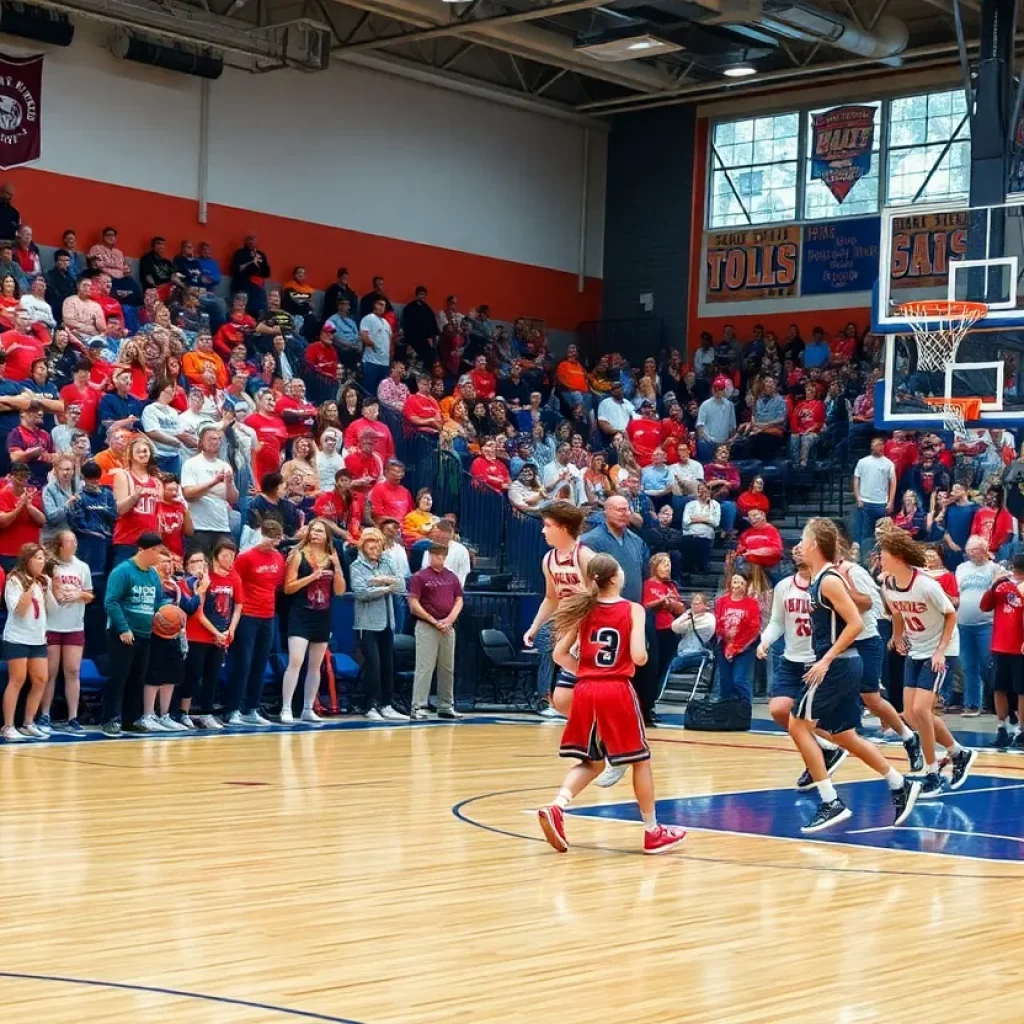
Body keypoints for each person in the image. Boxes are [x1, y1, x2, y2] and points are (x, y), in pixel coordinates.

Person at [537, 553, 687, 855]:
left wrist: (588, 672)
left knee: (591, 761)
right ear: (616, 578)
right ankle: (652, 831)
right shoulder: (633, 609)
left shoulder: (584, 609)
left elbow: (559, 655)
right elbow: (639, 657)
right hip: (616, 689)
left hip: (587, 689)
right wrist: (636, 654)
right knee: (641, 761)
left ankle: (557, 806)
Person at [787, 519, 922, 833]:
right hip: (843, 664)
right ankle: (899, 783)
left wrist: (826, 660)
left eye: (804, 540)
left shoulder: (830, 581)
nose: (799, 546)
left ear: (815, 546)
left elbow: (856, 624)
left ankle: (829, 800)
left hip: (837, 665)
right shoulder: (819, 579)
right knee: (845, 735)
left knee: (797, 725)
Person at [880, 527, 977, 798]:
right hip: (917, 649)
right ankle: (959, 753)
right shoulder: (887, 582)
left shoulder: (925, 584)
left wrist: (940, 651)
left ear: (898, 556)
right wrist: (898, 637)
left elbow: (950, 615)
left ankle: (932, 772)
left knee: (921, 711)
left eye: (884, 554)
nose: (880, 558)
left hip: (941, 649)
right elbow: (898, 613)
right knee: (911, 714)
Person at [831, 522, 923, 768]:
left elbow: (869, 604)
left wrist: (842, 591)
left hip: (865, 640)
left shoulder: (853, 571)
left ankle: (908, 737)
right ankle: (826, 753)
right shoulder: (821, 574)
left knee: (871, 698)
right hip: (840, 642)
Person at [102, 532, 169, 736]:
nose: (159, 556)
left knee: (137, 679)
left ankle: (130, 719)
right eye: (157, 552)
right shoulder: (122, 571)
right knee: (119, 677)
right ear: (145, 550)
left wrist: (167, 612)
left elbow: (159, 601)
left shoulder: (152, 575)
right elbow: (111, 601)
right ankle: (110, 719)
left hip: (144, 633)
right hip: (122, 633)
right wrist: (123, 629)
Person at [278, 519, 345, 724]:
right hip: (301, 614)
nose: (315, 533)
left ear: (326, 536)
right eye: (313, 530)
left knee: (316, 666)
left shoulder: (332, 557)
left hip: (323, 615)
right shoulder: (298, 555)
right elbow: (288, 587)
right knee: (296, 661)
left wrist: (337, 566)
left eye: (319, 531)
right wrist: (312, 577)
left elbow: (340, 591)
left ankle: (308, 707)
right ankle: (286, 708)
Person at [180, 538, 244, 731]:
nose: (230, 559)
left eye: (233, 556)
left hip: (222, 636)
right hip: (198, 635)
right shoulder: (203, 579)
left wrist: (231, 630)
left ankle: (207, 712)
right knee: (193, 675)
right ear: (215, 558)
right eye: (225, 555)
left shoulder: (234, 577)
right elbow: (197, 611)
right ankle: (183, 713)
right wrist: (216, 632)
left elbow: (238, 604)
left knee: (212, 676)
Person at [228, 519, 286, 727]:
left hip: (268, 616)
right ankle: (233, 709)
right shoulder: (245, 557)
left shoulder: (279, 557)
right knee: (243, 663)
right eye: (270, 538)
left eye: (277, 539)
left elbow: (277, 583)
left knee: (260, 664)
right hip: (247, 616)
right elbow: (235, 583)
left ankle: (251, 708)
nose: (273, 543)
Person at [141, 548, 200, 732]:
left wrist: (198, 593)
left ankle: (164, 715)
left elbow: (187, 608)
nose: (166, 565)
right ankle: (148, 715)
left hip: (175, 635)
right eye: (162, 561)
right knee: (154, 676)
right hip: (154, 634)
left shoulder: (175, 586)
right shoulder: (149, 582)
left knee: (171, 676)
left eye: (169, 562)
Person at [350, 528, 405, 721]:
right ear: (363, 545)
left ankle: (386, 704)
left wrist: (378, 581)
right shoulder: (357, 566)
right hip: (366, 624)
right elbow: (361, 592)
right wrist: (386, 585)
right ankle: (370, 705)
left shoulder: (388, 561)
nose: (374, 546)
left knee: (388, 664)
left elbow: (401, 586)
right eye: (369, 542)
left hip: (387, 622)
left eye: (377, 541)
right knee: (373, 664)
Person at [40, 530, 93, 734]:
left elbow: (90, 595)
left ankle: (73, 717)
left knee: (72, 671)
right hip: (52, 624)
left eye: (75, 540)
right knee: (50, 672)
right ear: (60, 545)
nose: (74, 544)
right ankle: (45, 714)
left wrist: (79, 594)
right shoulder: (50, 566)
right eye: (70, 541)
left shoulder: (82, 567)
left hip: (74, 625)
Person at [407, 543, 465, 720]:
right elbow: (414, 604)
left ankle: (446, 705)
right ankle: (418, 706)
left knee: (447, 667)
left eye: (442, 555)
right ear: (430, 555)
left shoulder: (452, 577)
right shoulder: (420, 576)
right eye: (436, 555)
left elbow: (459, 600)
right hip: (426, 626)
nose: (440, 558)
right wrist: (432, 620)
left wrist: (449, 620)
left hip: (447, 627)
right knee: (425, 667)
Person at [2, 542, 51, 740]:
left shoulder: (43, 581)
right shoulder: (14, 580)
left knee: (41, 680)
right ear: (27, 560)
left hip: (37, 638)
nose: (42, 562)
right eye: (38, 558)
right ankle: (8, 726)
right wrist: (31, 586)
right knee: (17, 680)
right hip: (17, 637)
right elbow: (19, 611)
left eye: (43, 558)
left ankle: (28, 723)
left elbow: (51, 609)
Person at [978, 554, 1024, 749]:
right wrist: (994, 584)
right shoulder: (1002, 585)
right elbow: (985, 606)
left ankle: (1021, 730)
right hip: (1000, 645)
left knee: (1022, 690)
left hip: (1019, 647)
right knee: (999, 688)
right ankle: (1002, 727)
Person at [954, 535, 999, 718]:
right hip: (963, 624)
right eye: (970, 550)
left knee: (987, 664)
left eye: (976, 549)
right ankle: (972, 704)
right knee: (968, 666)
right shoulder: (961, 568)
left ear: (984, 550)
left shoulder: (994, 568)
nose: (972, 553)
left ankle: (992, 702)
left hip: (986, 624)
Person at [181, 426, 238, 553]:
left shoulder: (224, 465)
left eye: (218, 439)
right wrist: (213, 482)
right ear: (200, 442)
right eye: (211, 439)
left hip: (222, 526)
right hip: (199, 527)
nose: (215, 442)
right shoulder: (191, 464)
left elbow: (233, 498)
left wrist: (229, 484)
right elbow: (188, 494)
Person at [643, 553, 685, 716]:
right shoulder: (647, 584)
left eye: (669, 564)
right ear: (655, 566)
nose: (668, 567)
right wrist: (661, 603)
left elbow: (681, 608)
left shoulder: (671, 586)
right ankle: (645, 703)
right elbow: (645, 606)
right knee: (652, 669)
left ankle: (652, 703)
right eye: (664, 564)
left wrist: (673, 605)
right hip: (654, 630)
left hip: (670, 630)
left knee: (663, 669)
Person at [110, 437, 161, 565]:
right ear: (130, 456)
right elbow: (119, 510)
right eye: (138, 451)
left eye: (145, 451)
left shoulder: (156, 481)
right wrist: (135, 496)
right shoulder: (124, 476)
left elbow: (158, 516)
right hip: (127, 541)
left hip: (150, 544)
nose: (143, 454)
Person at [713, 572, 760, 704]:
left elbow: (754, 628)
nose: (737, 585)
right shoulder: (721, 601)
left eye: (741, 583)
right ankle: (725, 712)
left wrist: (737, 646)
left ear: (746, 586)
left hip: (744, 647)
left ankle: (745, 709)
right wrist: (725, 636)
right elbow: (717, 621)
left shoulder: (751, 603)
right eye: (735, 581)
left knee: (739, 680)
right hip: (724, 645)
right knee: (725, 682)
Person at [853, 437, 896, 560]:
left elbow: (893, 482)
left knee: (882, 533)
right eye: (877, 445)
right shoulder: (862, 462)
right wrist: (858, 498)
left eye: (881, 445)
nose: (879, 447)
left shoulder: (888, 463)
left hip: (881, 503)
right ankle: (862, 558)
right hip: (865, 501)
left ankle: (882, 558)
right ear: (872, 446)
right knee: (863, 532)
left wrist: (890, 501)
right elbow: (856, 480)